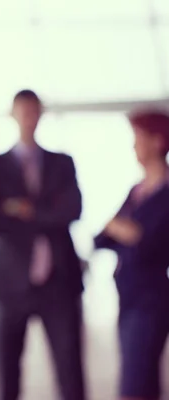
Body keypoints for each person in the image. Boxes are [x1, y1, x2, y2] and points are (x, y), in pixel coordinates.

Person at [0, 90, 86, 400]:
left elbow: (73, 211)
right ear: (13, 115)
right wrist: (49, 212)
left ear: (41, 115)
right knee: (7, 374)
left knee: (70, 371)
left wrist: (26, 210)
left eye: (34, 112)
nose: (29, 118)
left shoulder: (62, 162)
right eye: (23, 112)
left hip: (59, 281)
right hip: (10, 283)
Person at [94, 110, 169, 400]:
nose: (133, 145)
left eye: (138, 137)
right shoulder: (136, 190)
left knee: (134, 385)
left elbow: (148, 240)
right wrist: (125, 231)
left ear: (157, 141)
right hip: (128, 294)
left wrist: (124, 230)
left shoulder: (165, 193)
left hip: (151, 299)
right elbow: (104, 237)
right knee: (143, 382)